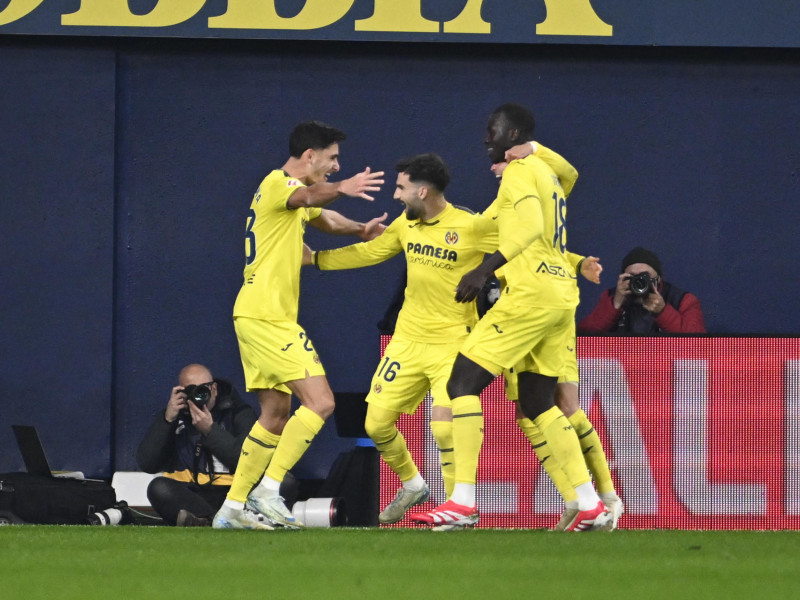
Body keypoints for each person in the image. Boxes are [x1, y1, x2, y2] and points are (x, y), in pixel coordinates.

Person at [411, 103, 611, 531]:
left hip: (531, 295)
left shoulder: (520, 174)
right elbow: (568, 177)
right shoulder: (545, 174)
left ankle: (462, 501)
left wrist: (484, 269)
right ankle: (590, 501)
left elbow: (527, 231)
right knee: (539, 402)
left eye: (493, 130)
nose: (486, 138)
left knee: (462, 382)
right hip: (559, 297)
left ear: (513, 133)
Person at [212, 120, 386, 530]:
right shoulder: (278, 184)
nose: (336, 167)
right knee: (321, 402)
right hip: (268, 317)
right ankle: (268, 491)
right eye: (332, 159)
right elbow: (310, 195)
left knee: (274, 414)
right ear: (310, 156)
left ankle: (232, 510)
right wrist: (343, 188)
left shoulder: (289, 196)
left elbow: (322, 217)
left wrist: (361, 229)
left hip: (254, 315)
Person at [307, 153, 497, 524]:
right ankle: (413, 484)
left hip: (453, 344)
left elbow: (522, 245)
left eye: (400, 188)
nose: (395, 196)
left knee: (444, 427)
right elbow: (370, 252)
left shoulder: (471, 226)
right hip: (407, 342)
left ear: (422, 191)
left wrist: (567, 265)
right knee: (375, 424)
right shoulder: (405, 225)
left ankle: (459, 511)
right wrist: (315, 260)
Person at [136, 363, 258, 527]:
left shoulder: (239, 413)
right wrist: (167, 420)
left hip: (233, 495)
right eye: (191, 390)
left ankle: (209, 521)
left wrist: (210, 431)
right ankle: (215, 521)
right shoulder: (174, 417)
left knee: (283, 484)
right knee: (158, 488)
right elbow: (148, 463)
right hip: (192, 496)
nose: (199, 396)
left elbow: (247, 463)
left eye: (204, 389)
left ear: (214, 389)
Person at [578, 246, 706, 333]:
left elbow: (697, 344)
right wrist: (615, 305)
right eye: (632, 277)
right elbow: (581, 338)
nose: (639, 282)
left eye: (645, 277)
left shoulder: (682, 300)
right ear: (622, 278)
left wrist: (663, 311)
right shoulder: (612, 297)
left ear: (659, 279)